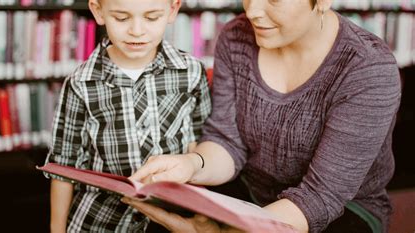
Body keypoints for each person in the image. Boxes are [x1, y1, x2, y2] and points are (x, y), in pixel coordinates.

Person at [124, 0, 402, 232]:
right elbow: (226, 142)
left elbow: (320, 197)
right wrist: (191, 164)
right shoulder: (235, 37)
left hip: (342, 209)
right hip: (249, 192)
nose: (253, 11)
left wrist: (228, 231)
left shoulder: (367, 68)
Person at [44, 0, 212, 232]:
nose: (137, 30)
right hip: (100, 220)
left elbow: (200, 139)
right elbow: (62, 166)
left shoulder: (192, 71)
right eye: (122, 18)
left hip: (171, 216)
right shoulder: (80, 83)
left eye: (151, 17)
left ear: (172, 10)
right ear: (98, 11)